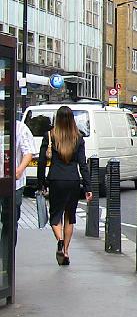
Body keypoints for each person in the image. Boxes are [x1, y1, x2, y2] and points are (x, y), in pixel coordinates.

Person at [37, 106, 91, 266]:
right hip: (73, 181)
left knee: (55, 217)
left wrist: (41, 183)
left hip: (56, 180)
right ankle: (66, 251)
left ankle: (59, 241)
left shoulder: (50, 135)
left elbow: (41, 162)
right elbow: (83, 164)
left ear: (57, 119)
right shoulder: (78, 137)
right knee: (70, 217)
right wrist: (88, 188)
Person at [14, 118, 36, 242]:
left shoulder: (20, 128)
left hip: (15, 184)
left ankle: (5, 258)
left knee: (10, 221)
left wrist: (19, 169)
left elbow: (28, 152)